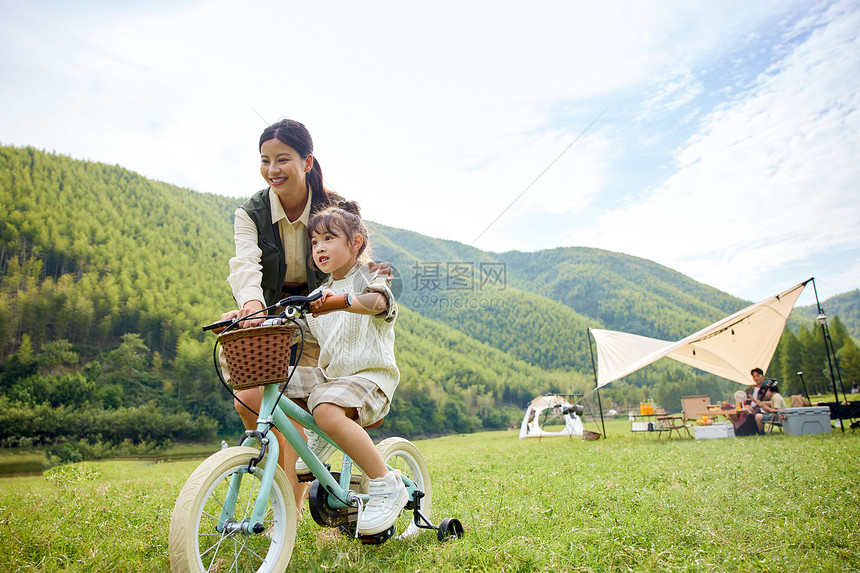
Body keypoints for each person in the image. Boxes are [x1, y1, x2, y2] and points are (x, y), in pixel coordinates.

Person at [219, 118, 389, 511]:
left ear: (306, 161)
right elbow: (246, 265)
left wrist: (356, 294)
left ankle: (291, 508)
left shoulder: (337, 209)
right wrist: (250, 307)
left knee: (311, 402)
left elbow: (359, 266)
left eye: (282, 159)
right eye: (265, 160)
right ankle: (285, 485)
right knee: (249, 398)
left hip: (324, 314)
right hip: (277, 313)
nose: (272, 169)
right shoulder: (251, 213)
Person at [285, 201, 406, 536]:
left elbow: (378, 303)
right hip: (332, 381)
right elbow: (297, 329)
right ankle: (319, 436)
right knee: (275, 383)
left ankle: (387, 483)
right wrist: (247, 320)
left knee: (325, 407)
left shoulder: (372, 275)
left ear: (355, 243)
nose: (320, 247)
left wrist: (334, 303)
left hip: (371, 379)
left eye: (329, 238)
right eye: (314, 242)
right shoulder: (317, 295)